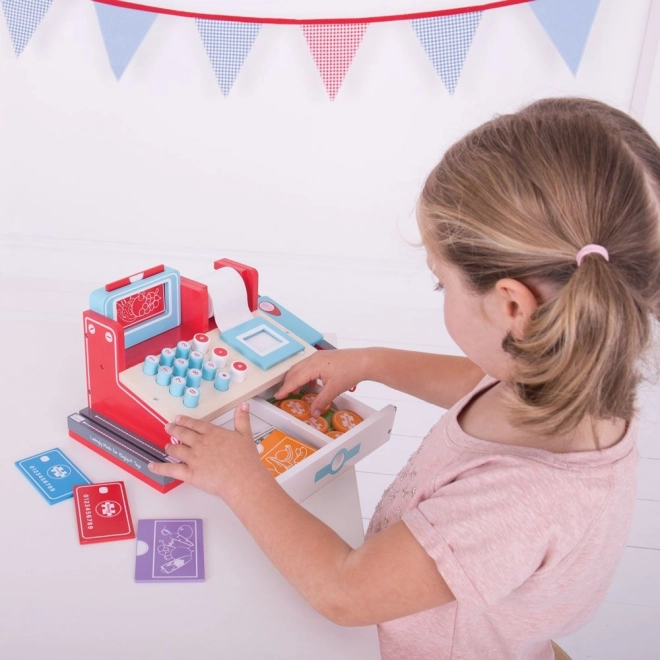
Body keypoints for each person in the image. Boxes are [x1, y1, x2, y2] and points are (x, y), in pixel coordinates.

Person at [149, 98, 660, 659]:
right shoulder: (580, 377)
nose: (441, 293)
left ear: (513, 306)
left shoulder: (516, 503)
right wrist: (374, 362)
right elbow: (478, 380)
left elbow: (344, 592)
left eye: (442, 284)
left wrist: (240, 478)